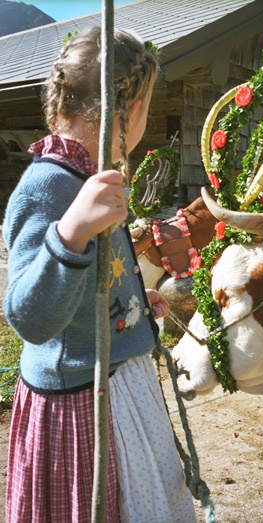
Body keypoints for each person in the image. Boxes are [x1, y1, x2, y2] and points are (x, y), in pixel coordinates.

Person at [3, 27, 197, 522]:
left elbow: (94, 282)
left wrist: (129, 307)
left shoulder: (91, 176)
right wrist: (69, 233)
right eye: (147, 107)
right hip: (79, 403)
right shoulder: (48, 185)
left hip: (115, 382)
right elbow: (30, 318)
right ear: (128, 112)